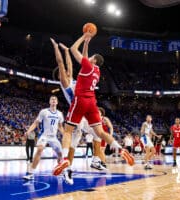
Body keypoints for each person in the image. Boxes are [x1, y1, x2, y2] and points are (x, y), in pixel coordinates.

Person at [53, 32, 134, 176]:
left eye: (91, 57)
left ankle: (65, 160)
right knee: (100, 133)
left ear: (94, 60)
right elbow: (78, 60)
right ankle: (120, 149)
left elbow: (73, 50)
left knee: (68, 132)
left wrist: (83, 37)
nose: (88, 57)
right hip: (92, 102)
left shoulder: (87, 67)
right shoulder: (97, 70)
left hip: (79, 102)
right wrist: (87, 44)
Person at [50, 38, 105, 185]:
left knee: (97, 133)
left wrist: (67, 51)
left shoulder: (74, 78)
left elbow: (69, 64)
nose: (68, 71)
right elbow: (62, 64)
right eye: (66, 71)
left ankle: (95, 160)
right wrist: (56, 47)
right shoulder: (65, 82)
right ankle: (67, 168)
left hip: (83, 111)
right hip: (77, 113)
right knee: (73, 141)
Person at [23, 96, 64, 180]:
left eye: (55, 99)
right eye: (52, 99)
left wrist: (66, 136)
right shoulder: (44, 112)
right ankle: (31, 173)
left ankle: (60, 170)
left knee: (60, 154)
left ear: (57, 102)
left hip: (54, 137)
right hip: (44, 135)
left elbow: (60, 127)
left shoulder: (59, 114)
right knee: (40, 149)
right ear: (49, 102)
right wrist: (28, 131)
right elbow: (35, 123)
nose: (53, 100)